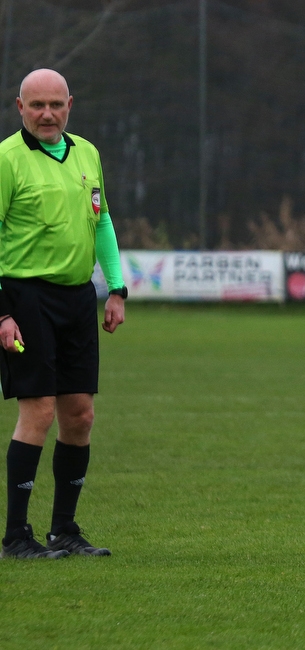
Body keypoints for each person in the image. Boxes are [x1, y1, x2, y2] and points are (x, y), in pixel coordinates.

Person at [0, 69, 127, 559]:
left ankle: (65, 531)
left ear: (70, 104)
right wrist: (2, 313)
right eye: (37, 106)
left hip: (77, 298)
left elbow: (103, 220)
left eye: (56, 104)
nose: (47, 114)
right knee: (40, 411)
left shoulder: (88, 152)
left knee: (80, 414)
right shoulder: (8, 160)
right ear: (20, 107)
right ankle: (15, 537)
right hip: (24, 298)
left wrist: (115, 288)